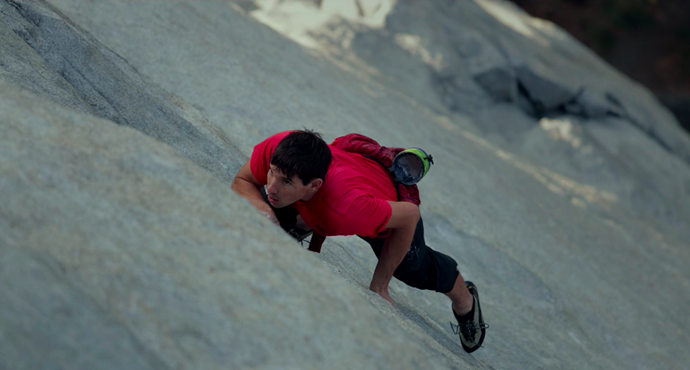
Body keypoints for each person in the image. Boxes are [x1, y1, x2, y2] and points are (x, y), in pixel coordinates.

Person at [231, 130, 487, 352]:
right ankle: (303, 220)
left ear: (315, 185)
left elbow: (409, 216)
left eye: (285, 181)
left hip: (388, 210)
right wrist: (264, 211)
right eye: (272, 173)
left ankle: (466, 300)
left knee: (412, 268)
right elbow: (243, 180)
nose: (272, 185)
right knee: (270, 205)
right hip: (349, 177)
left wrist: (380, 285)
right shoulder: (281, 148)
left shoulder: (345, 209)